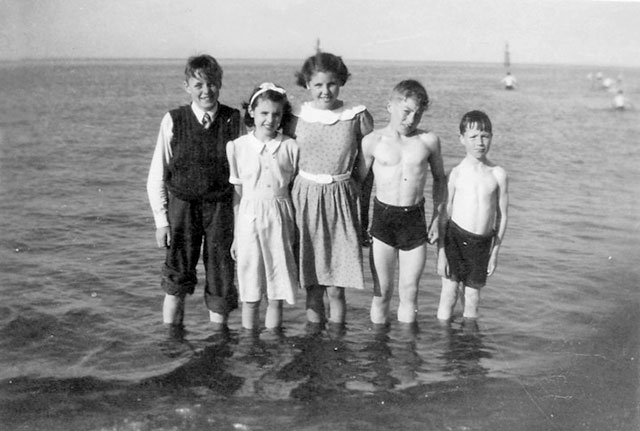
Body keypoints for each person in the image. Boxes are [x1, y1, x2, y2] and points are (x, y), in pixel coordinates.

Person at [147, 54, 241, 331]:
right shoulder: (173, 120)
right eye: (198, 85)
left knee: (221, 277)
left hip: (221, 211)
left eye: (212, 84)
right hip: (183, 209)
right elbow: (156, 174)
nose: (206, 91)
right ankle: (171, 340)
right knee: (176, 280)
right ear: (187, 86)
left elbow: (243, 177)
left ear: (220, 84)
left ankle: (218, 343)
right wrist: (162, 221)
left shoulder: (233, 120)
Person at [285, 52, 374, 331]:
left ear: (341, 82)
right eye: (318, 85)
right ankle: (313, 344)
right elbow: (282, 164)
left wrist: (363, 215)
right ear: (307, 85)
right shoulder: (296, 117)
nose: (325, 91)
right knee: (312, 286)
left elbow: (367, 170)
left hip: (342, 201)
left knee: (337, 287)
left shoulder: (356, 116)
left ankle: (337, 343)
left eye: (332, 84)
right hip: (304, 202)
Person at [358, 80, 446, 326]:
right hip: (382, 219)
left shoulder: (428, 141)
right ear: (390, 106)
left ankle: (408, 356)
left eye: (417, 114)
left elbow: (440, 179)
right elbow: (360, 186)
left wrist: (438, 219)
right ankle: (379, 351)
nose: (411, 120)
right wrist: (360, 222)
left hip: (414, 220)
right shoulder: (373, 142)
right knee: (381, 293)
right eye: (406, 112)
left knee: (409, 293)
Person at [226, 83, 300, 332]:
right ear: (252, 113)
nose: (270, 119)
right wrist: (236, 235)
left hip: (280, 215)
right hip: (249, 217)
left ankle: (275, 343)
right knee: (250, 288)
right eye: (264, 113)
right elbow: (237, 194)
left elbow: (294, 188)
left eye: (276, 114)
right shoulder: (237, 147)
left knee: (277, 290)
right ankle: (250, 344)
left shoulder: (290, 146)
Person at [436, 110, 509, 322]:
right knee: (448, 294)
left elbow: (502, 216)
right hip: (454, 238)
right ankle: (444, 341)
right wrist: (441, 252)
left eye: (485, 136)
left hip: (481, 242)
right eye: (473, 137)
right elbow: (444, 214)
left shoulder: (498, 174)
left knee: (472, 297)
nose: (480, 142)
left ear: (492, 138)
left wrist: (495, 251)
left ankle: (468, 344)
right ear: (462, 139)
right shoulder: (456, 173)